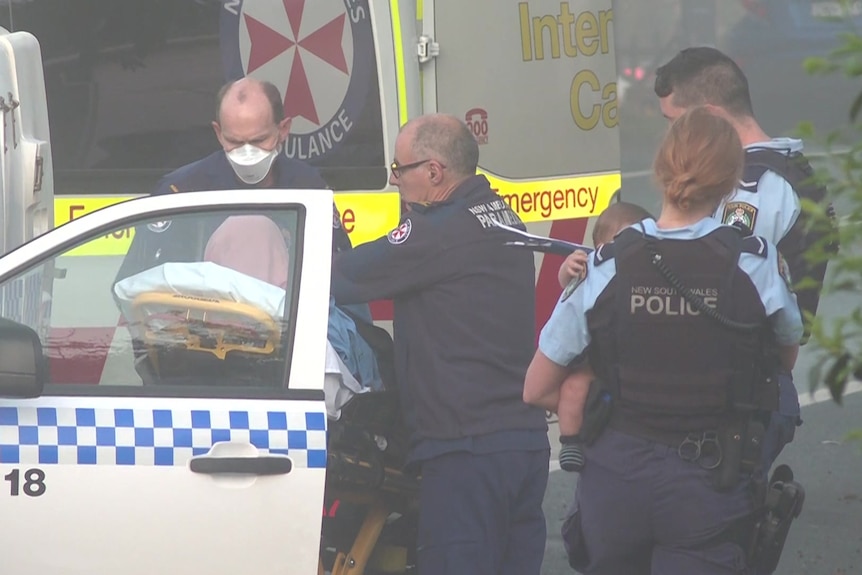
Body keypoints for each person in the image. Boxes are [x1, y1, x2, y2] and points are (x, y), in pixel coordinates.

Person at [526, 107, 804, 574]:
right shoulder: (755, 265)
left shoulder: (606, 264)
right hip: (710, 480)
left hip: (615, 479)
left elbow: (536, 387)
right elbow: (784, 361)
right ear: (731, 180)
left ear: (660, 170)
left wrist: (599, 413)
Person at [330, 113, 550, 575]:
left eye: (399, 169)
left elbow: (342, 277)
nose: (394, 181)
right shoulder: (501, 215)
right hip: (522, 442)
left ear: (433, 172)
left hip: (466, 449)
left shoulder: (436, 231)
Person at [652, 46, 836, 477]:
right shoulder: (788, 167)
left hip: (733, 393)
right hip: (750, 384)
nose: (671, 139)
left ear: (711, 117)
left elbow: (718, 287)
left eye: (675, 124)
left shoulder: (750, 188)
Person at [526, 202, 654, 473]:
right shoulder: (591, 269)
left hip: (622, 371)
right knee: (574, 390)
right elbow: (569, 287)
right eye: (622, 241)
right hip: (591, 359)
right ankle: (571, 441)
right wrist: (568, 270)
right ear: (598, 247)